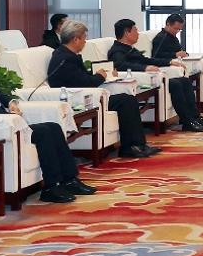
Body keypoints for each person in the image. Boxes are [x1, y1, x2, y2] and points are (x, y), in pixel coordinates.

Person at [0, 37, 97, 204]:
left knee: (53, 127)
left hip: (7, 126)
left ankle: (69, 180)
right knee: (45, 132)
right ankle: (52, 186)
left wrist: (11, 103)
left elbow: (0, 96)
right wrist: (12, 116)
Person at [48, 20, 159, 159]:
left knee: (127, 99)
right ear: (75, 39)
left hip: (86, 95)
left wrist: (99, 75)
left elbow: (80, 78)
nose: (85, 42)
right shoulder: (65, 58)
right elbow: (85, 83)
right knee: (126, 101)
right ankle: (132, 146)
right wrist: (100, 76)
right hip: (79, 100)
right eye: (84, 38)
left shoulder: (66, 54)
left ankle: (136, 145)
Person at [109, 18, 203, 132]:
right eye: (135, 30)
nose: (138, 34)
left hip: (150, 78)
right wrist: (145, 68)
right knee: (176, 84)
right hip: (142, 81)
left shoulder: (129, 48)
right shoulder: (117, 50)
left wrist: (169, 62)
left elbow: (147, 60)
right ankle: (187, 121)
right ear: (127, 32)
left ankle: (195, 117)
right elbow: (120, 65)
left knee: (184, 81)